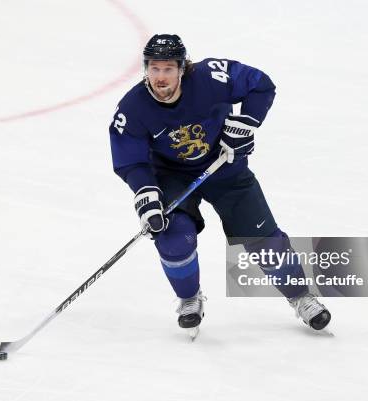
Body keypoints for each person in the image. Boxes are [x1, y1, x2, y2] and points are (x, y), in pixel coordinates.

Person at [108, 34, 331, 334]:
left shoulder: (212, 76)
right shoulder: (132, 108)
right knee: (174, 238)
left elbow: (260, 84)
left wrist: (246, 122)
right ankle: (189, 299)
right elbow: (131, 159)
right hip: (171, 176)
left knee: (264, 240)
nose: (160, 78)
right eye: (154, 69)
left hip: (224, 166)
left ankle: (301, 296)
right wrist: (145, 192)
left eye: (168, 69)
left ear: (182, 69)